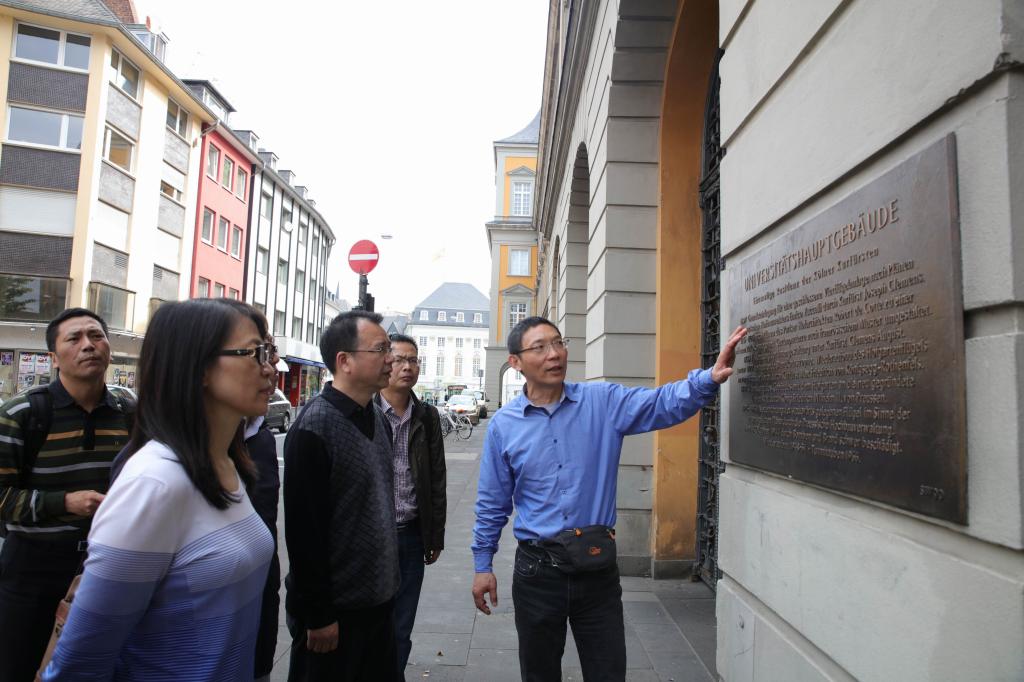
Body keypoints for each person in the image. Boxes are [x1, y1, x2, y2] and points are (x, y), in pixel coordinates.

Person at [471, 316, 747, 682]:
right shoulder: (504, 426)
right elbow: (492, 502)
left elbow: (660, 403)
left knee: (608, 671)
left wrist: (708, 379)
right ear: (516, 362)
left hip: (596, 569)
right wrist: (483, 565)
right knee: (539, 673)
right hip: (537, 572)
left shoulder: (602, 402)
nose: (554, 354)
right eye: (540, 347)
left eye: (558, 343)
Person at [41, 298, 276, 680]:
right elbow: (79, 663)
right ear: (198, 366)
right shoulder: (155, 482)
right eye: (255, 353)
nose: (270, 367)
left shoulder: (226, 464)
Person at [0, 308, 132, 682]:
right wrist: (66, 502)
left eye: (96, 336)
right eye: (74, 338)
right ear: (54, 358)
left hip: (107, 564)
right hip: (32, 570)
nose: (88, 345)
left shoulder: (129, 410)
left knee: (96, 669)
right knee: (19, 666)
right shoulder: (21, 413)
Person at [283, 310, 400, 682]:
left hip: (379, 606)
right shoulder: (314, 428)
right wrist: (318, 615)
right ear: (344, 361)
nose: (391, 359)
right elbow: (304, 533)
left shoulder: (377, 419)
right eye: (381, 349)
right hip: (335, 617)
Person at [374, 333, 446, 679]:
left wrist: (435, 536)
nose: (407, 367)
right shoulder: (366, 410)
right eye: (400, 359)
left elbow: (437, 479)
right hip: (375, 538)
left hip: (412, 535)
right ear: (385, 362)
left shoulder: (426, 416)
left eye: (413, 360)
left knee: (402, 627)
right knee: (372, 624)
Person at [245, 334, 284, 682]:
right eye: (257, 352)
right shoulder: (160, 468)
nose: (271, 367)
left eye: (270, 352)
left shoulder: (261, 438)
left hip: (258, 615)